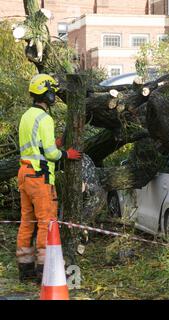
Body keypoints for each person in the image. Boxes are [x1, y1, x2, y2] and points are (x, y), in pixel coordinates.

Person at [17, 74, 81, 282]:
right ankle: (43, 271)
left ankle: (25, 268)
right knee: (47, 222)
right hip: (39, 177)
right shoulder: (45, 118)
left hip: (24, 173)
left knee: (27, 221)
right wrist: (66, 154)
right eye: (52, 91)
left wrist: (55, 144)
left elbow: (37, 145)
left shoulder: (26, 115)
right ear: (48, 94)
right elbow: (50, 154)